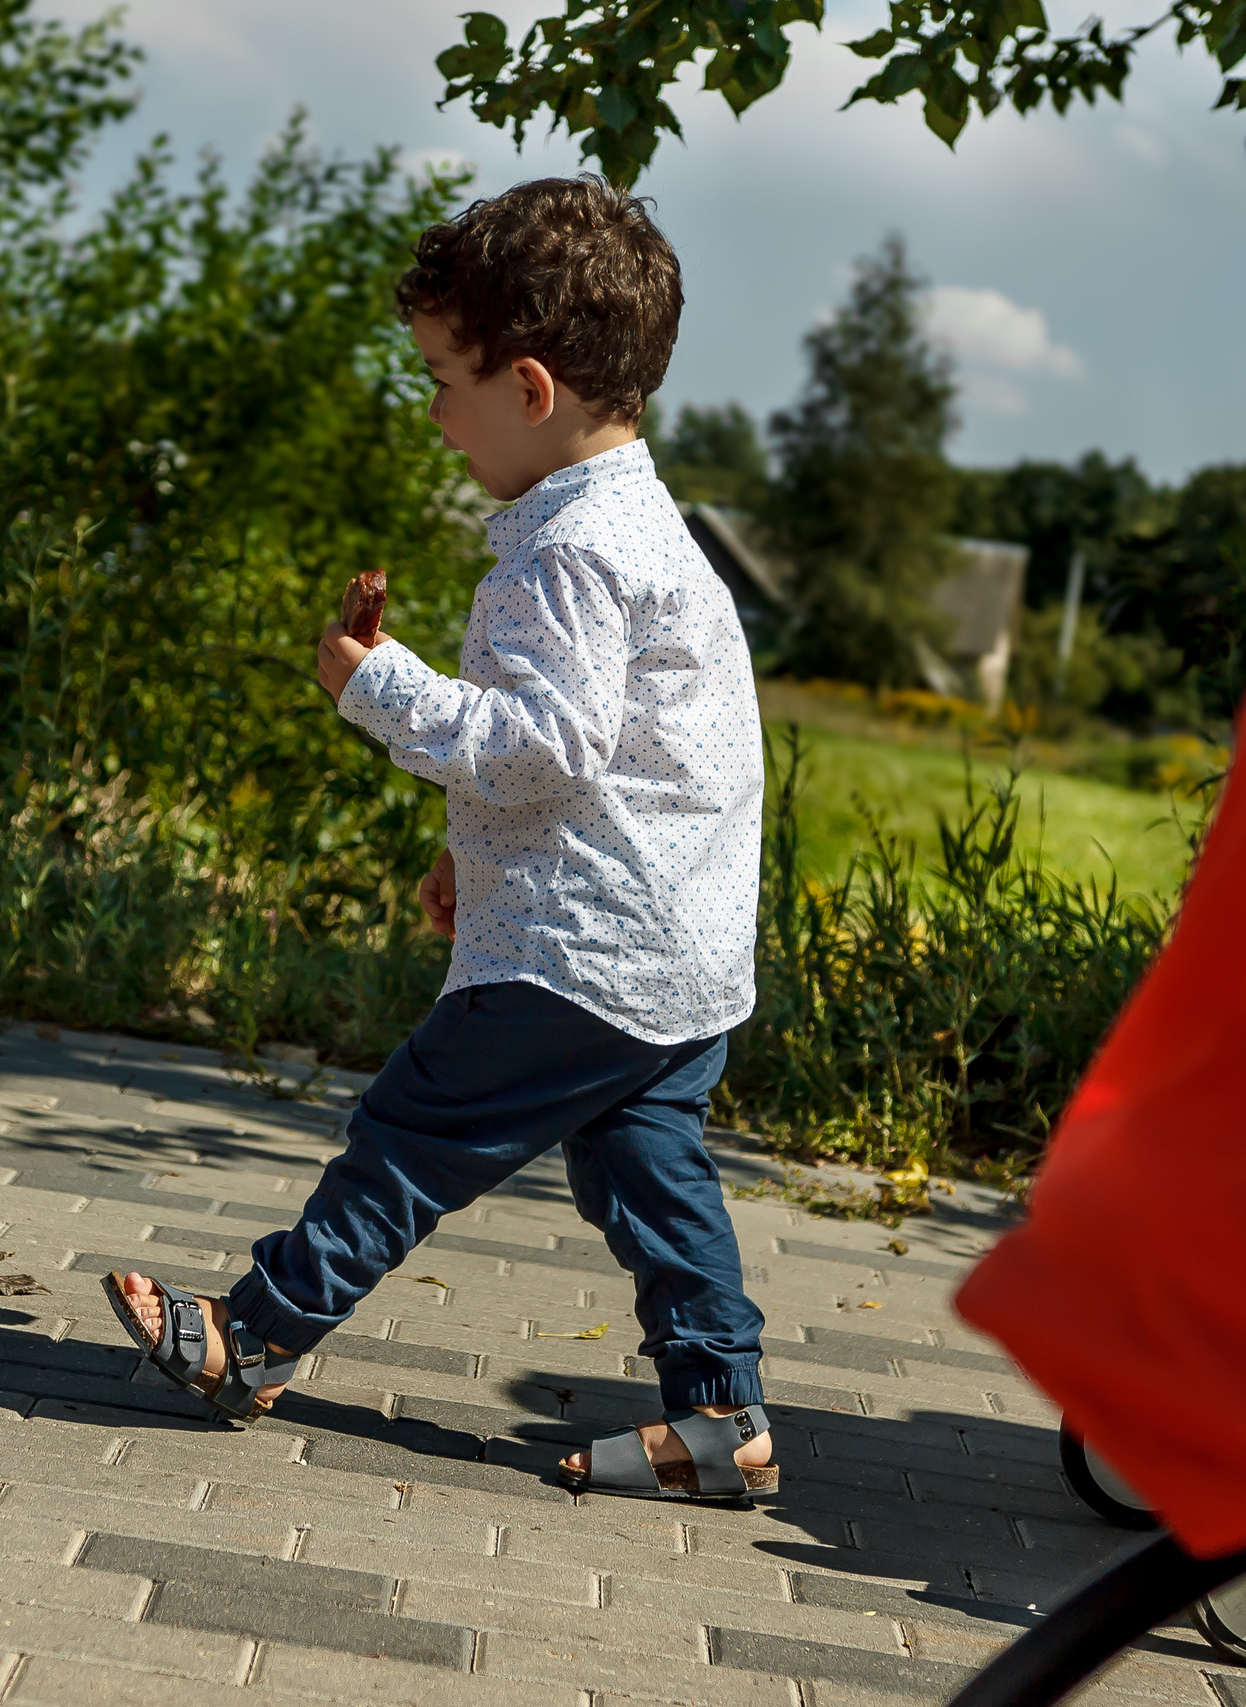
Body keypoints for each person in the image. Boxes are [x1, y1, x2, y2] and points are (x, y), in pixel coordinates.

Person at [106, 175, 773, 1500]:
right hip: (680, 956)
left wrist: (378, 685)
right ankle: (722, 1419)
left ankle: (256, 1337)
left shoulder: (568, 553)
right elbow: (618, 764)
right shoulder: (644, 527)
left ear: (529, 388)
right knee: (652, 1175)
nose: (431, 412)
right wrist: (471, 860)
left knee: (411, 1133)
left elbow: (544, 746)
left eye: (440, 380)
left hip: (585, 950)